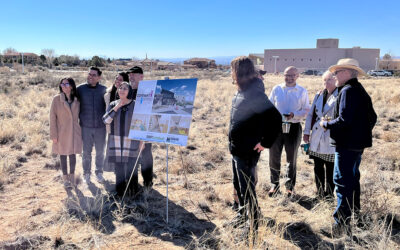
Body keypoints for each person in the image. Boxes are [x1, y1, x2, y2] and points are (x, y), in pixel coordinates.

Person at [321, 58, 377, 236]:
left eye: (337, 72)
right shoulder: (359, 90)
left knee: (342, 182)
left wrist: (326, 124)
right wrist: (360, 133)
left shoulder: (347, 91)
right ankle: (356, 217)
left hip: (346, 146)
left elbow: (344, 120)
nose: (334, 75)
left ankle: (341, 225)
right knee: (352, 180)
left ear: (348, 73)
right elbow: (372, 117)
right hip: (356, 145)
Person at [228, 56, 281, 238]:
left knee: (247, 188)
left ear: (239, 71)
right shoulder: (242, 90)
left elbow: (275, 119)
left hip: (246, 151)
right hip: (236, 149)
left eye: (233, 69)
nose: (231, 73)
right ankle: (243, 216)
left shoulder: (254, 93)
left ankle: (253, 225)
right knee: (239, 185)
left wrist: (265, 143)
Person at [268, 66, 310, 197]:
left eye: (293, 75)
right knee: (274, 156)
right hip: (276, 127)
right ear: (283, 75)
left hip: (294, 127)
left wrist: (294, 115)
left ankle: (289, 186)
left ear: (297, 76)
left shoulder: (302, 91)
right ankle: (274, 184)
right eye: (287, 75)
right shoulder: (277, 89)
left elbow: (306, 110)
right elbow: (269, 106)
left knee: (291, 158)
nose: (289, 77)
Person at [103, 82, 143, 197]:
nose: (122, 90)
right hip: (116, 141)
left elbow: (141, 124)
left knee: (132, 168)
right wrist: (117, 107)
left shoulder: (135, 105)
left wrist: (141, 142)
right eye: (120, 88)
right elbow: (106, 120)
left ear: (129, 91)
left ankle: (133, 192)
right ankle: (120, 192)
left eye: (125, 88)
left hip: (132, 141)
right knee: (119, 168)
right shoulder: (113, 104)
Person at [303, 71, 338, 199]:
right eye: (324, 80)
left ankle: (329, 194)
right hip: (317, 135)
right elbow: (311, 114)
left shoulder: (340, 95)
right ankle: (319, 192)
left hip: (331, 134)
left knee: (330, 167)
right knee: (317, 166)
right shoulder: (319, 95)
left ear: (336, 80)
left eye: (329, 80)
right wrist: (306, 132)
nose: (326, 83)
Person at [50, 78, 83, 188]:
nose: (63, 86)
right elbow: (52, 119)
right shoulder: (56, 99)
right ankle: (65, 179)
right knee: (63, 155)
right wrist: (54, 135)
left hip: (74, 131)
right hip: (61, 132)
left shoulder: (77, 100)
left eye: (66, 84)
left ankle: (72, 177)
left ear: (72, 86)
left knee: (72, 154)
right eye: (62, 84)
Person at [77, 67, 107, 184]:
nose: (90, 76)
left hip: (101, 127)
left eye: (94, 75)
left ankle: (99, 172)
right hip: (86, 127)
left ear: (99, 77)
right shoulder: (80, 89)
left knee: (100, 151)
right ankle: (86, 174)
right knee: (86, 152)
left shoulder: (104, 90)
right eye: (89, 74)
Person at [127, 66, 154, 188]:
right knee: (130, 156)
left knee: (145, 155)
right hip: (128, 130)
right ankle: (133, 182)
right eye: (130, 75)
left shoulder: (148, 91)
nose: (131, 76)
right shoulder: (125, 90)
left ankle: (148, 182)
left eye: (134, 74)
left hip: (144, 130)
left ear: (141, 76)